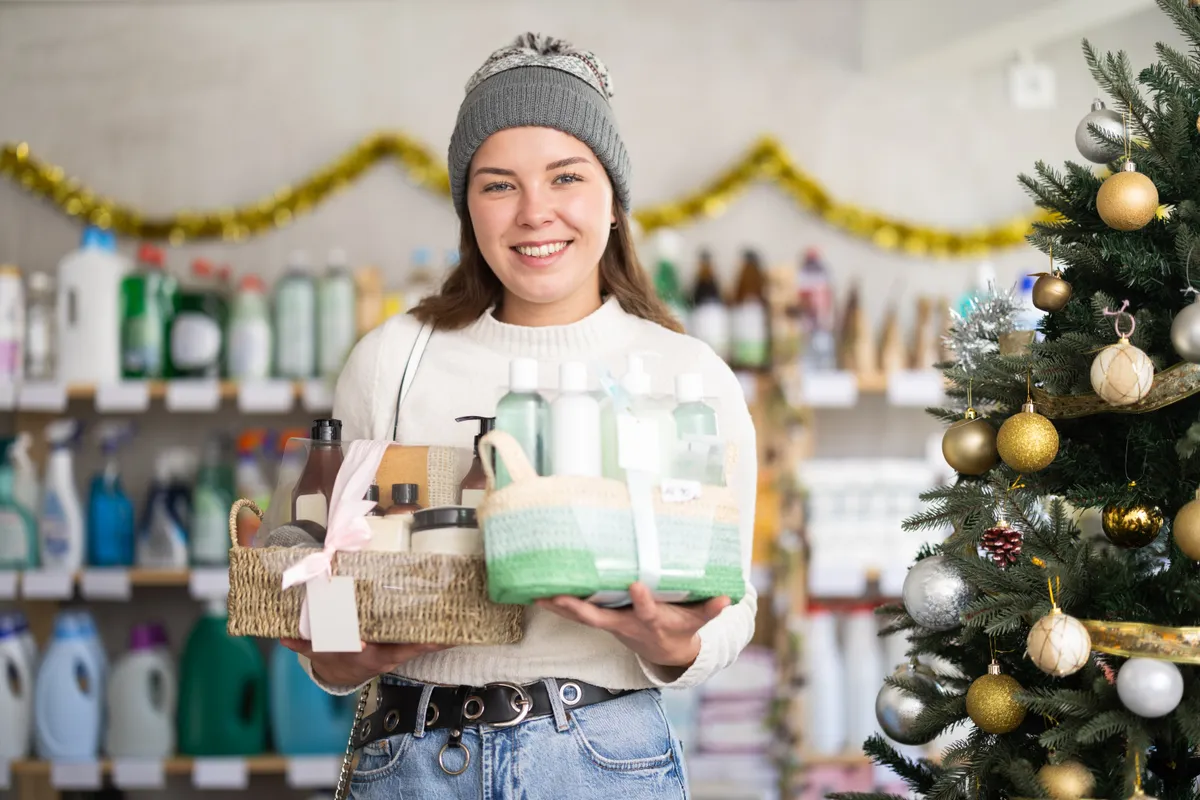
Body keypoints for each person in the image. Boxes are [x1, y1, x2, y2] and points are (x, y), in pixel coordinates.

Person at [282, 32, 758, 799]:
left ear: (613, 196)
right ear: (468, 207)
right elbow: (324, 576)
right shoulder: (393, 358)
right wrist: (341, 654)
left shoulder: (686, 374)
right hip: (410, 758)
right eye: (499, 185)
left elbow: (735, 603)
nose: (535, 213)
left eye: (565, 176)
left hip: (605, 760)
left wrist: (673, 643)